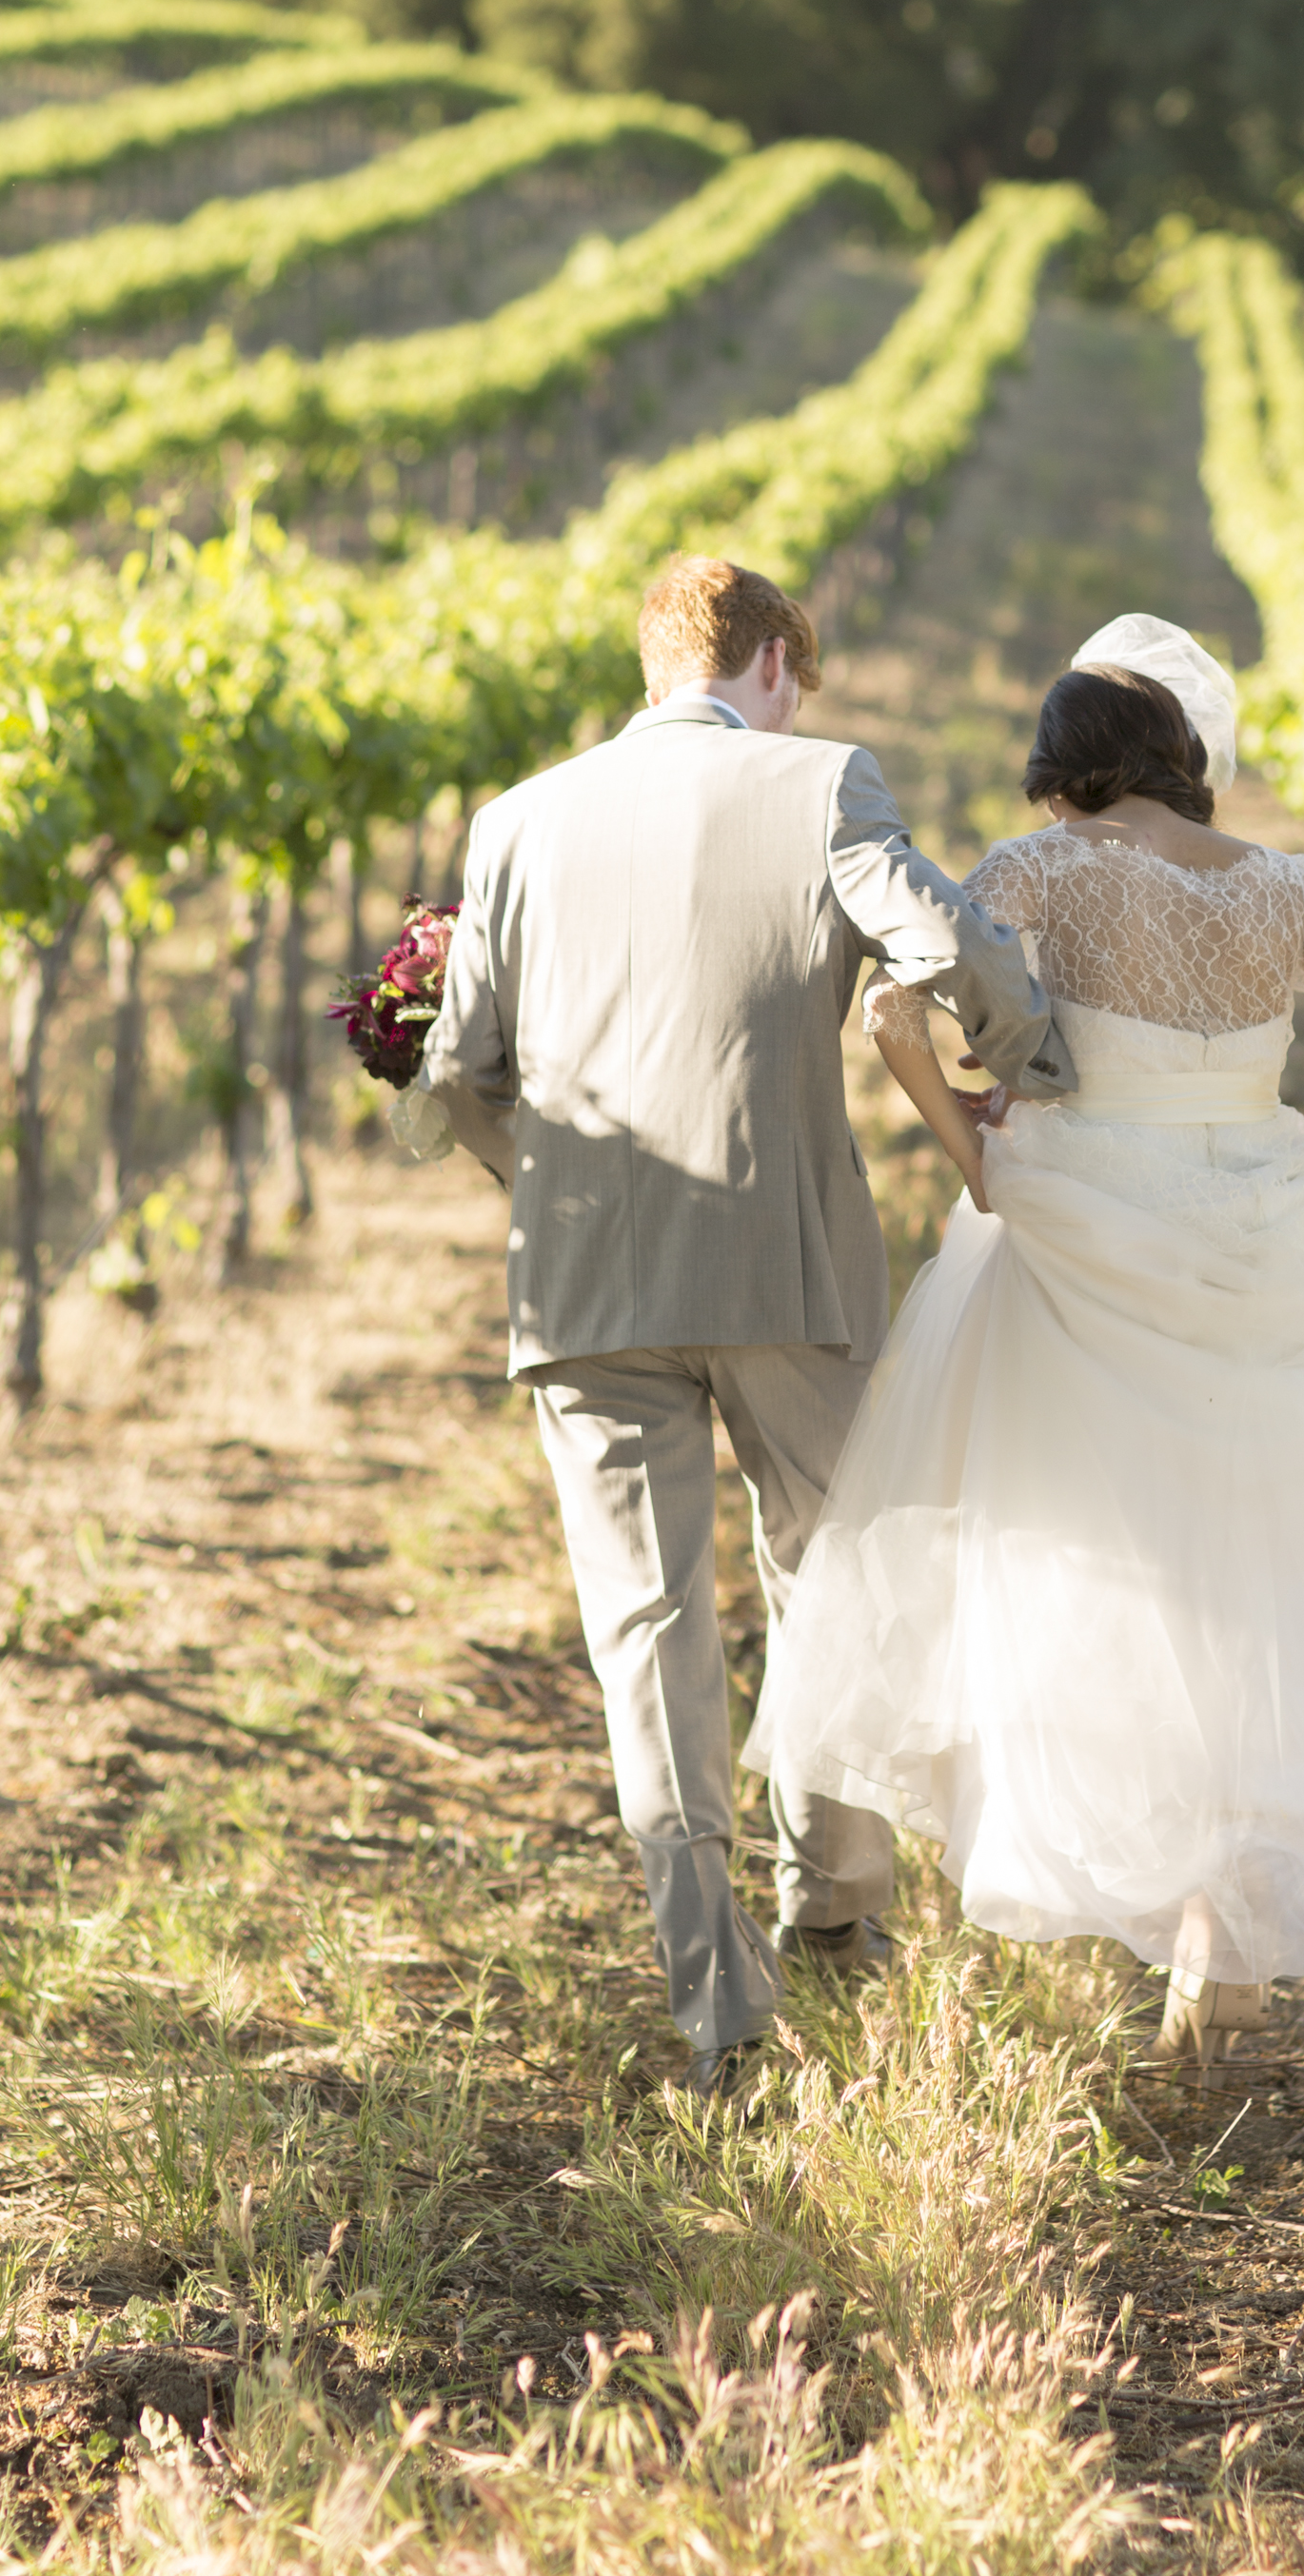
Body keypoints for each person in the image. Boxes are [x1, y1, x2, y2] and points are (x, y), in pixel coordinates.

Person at [747, 614, 1304, 2061]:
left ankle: (1169, 1899)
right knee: (1261, 1575)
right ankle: (1221, 1947)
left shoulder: (1039, 869)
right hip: (1266, 1229)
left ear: (1068, 768)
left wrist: (978, 1159)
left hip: (1087, 1231)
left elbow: (893, 1014)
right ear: (1182, 757)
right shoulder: (1283, 886)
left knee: (1103, 1572)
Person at [423, 556, 1076, 2094]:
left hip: (586, 1286)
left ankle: (718, 2004)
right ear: (771, 660)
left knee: (646, 1634)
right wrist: (1031, 1072)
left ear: (657, 662)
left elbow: (458, 1070)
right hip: (786, 1264)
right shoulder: (821, 784)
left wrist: (553, 1191)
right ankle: (835, 1908)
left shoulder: (514, 822)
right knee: (833, 1576)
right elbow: (950, 946)